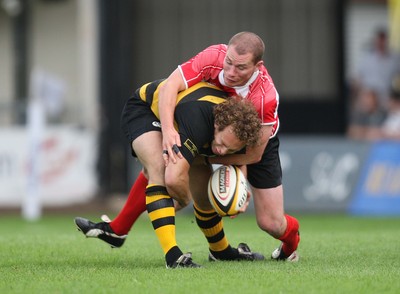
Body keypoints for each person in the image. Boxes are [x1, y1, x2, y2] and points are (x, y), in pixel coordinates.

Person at [75, 31, 300, 262]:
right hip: (188, 119)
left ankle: (289, 244)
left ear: (257, 66)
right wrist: (169, 132)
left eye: (241, 68)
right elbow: (170, 86)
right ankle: (174, 255)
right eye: (229, 63)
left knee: (271, 223)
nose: (231, 72)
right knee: (163, 169)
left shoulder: (264, 98)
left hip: (253, 142)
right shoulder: (214, 57)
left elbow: (252, 154)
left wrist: (237, 181)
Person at [75, 80, 263, 268]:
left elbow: (238, 160)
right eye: (221, 143)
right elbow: (173, 179)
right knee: (161, 168)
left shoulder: (239, 130)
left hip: (182, 120)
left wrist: (241, 186)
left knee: (204, 194)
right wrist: (183, 199)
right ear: (216, 125)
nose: (222, 151)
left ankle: (220, 251)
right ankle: (173, 257)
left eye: (229, 149)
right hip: (146, 109)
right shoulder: (197, 121)